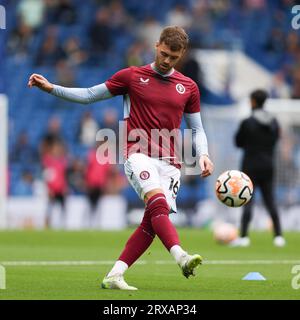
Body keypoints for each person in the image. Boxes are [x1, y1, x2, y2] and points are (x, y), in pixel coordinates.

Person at [28, 26, 214, 290]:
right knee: (158, 205)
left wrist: (203, 155)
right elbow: (91, 95)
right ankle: (181, 257)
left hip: (171, 164)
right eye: (163, 53)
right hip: (138, 155)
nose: (166, 61)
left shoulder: (188, 87)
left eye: (173, 57)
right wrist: (51, 88)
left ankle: (115, 275)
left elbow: (197, 128)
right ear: (156, 45)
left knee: (151, 222)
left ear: (181, 54)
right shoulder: (132, 76)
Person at [231, 89, 286, 247]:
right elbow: (276, 139)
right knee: (270, 200)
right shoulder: (274, 121)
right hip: (268, 165)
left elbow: (238, 142)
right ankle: (278, 236)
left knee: (247, 200)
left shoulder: (247, 122)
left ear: (253, 101)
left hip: (250, 165)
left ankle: (244, 237)